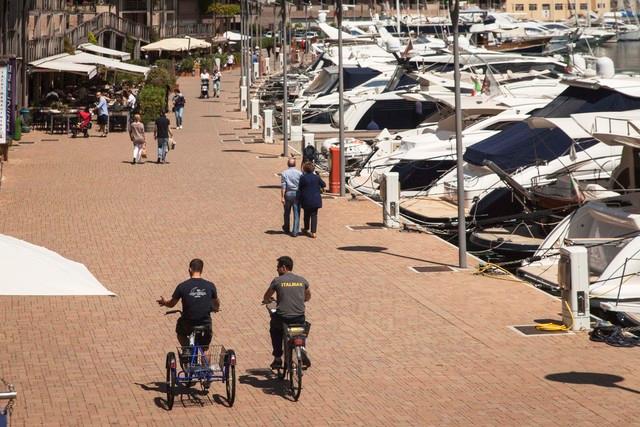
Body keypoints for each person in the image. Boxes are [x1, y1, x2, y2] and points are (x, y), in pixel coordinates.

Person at [157, 258, 220, 349]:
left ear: (190, 269)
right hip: (205, 324)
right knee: (206, 342)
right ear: (201, 270)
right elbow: (216, 302)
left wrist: (164, 302)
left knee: (180, 333)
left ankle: (187, 349)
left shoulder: (182, 286)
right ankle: (205, 353)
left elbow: (171, 304)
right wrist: (215, 308)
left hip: (188, 323)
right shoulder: (210, 286)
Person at [262, 256, 311, 369]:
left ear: (284, 267)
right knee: (301, 330)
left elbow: (266, 296)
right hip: (299, 317)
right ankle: (301, 348)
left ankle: (277, 358)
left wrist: (267, 301)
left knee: (275, 330)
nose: (277, 269)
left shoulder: (277, 280)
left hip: (282, 317)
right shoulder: (302, 280)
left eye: (278, 267)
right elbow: (308, 296)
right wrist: (300, 299)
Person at [297, 162, 326, 238]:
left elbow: (299, 187)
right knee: (314, 215)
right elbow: (324, 184)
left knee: (306, 214)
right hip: (315, 199)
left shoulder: (303, 178)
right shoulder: (317, 177)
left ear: (305, 169)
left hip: (306, 199)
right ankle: (314, 232)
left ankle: (306, 228)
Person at [281, 157, 302, 237]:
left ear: (288, 164)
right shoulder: (299, 173)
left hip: (288, 193)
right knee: (296, 212)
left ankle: (286, 227)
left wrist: (282, 197)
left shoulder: (284, 173)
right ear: (295, 164)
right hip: (297, 193)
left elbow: (283, 186)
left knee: (287, 212)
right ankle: (295, 231)